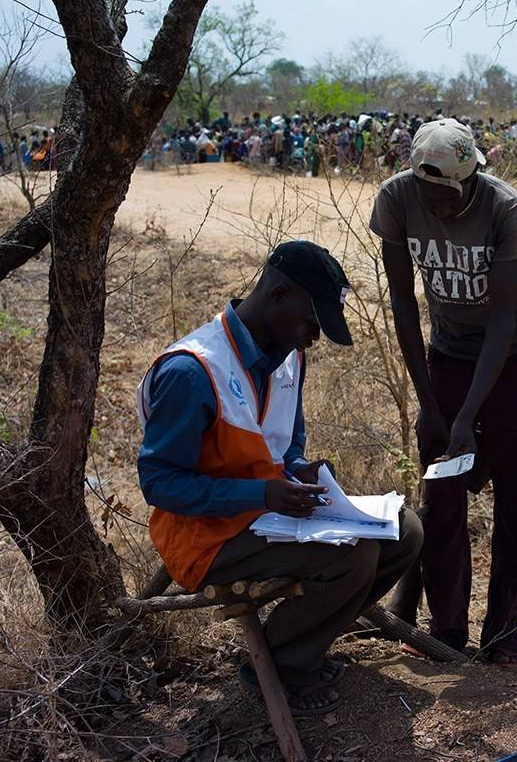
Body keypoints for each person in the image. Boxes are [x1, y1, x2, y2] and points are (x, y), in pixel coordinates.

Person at [136, 241, 422, 716]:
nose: (313, 337)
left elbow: (286, 443)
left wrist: (297, 470)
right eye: (311, 323)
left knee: (405, 532)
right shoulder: (192, 371)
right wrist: (262, 492)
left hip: (270, 516)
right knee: (355, 557)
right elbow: (160, 485)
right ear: (278, 294)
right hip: (205, 536)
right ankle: (279, 665)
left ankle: (306, 640)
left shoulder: (289, 356)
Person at [370, 118, 517, 664]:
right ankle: (447, 631)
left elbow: (499, 321)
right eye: (430, 193)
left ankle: (501, 628)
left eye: (449, 193)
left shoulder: (504, 209)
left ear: (470, 180)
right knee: (442, 495)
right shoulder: (396, 199)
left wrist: (467, 416)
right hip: (446, 354)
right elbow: (402, 301)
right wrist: (431, 405)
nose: (439, 206)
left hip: (511, 356)